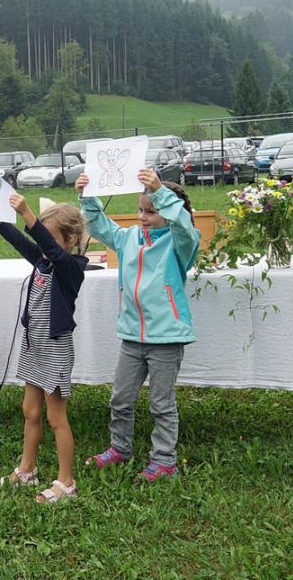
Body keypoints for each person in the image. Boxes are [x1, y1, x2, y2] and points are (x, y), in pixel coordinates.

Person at [77, 170, 199, 483]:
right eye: (140, 210)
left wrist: (160, 191)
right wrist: (87, 196)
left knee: (161, 404)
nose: (143, 217)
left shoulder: (180, 243)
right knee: (120, 398)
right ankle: (120, 448)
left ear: (168, 210)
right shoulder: (129, 238)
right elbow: (100, 225)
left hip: (166, 338)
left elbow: (184, 226)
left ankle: (164, 461)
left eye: (151, 211)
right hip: (132, 336)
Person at [0, 193, 88, 502]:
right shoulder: (43, 260)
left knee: (56, 417)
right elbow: (21, 241)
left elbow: (50, 247)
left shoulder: (70, 268)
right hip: (34, 348)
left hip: (55, 350)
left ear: (70, 240)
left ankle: (66, 482)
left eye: (50, 237)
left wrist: (28, 214)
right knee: (30, 411)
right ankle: (27, 469)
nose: (43, 245)